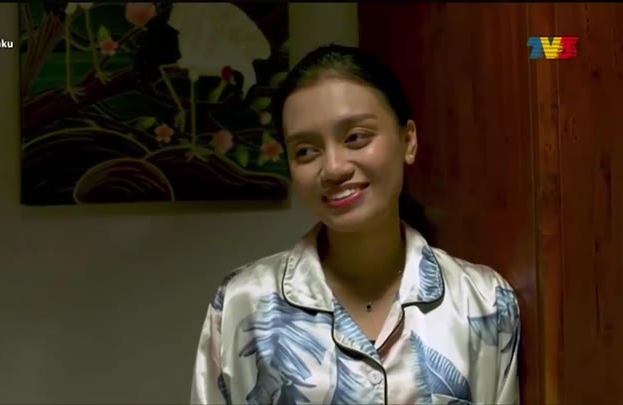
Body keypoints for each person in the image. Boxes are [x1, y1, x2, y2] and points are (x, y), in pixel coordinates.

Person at [190, 44, 521, 404]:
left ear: (408, 140)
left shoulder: (483, 302)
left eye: (355, 137)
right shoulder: (243, 303)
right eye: (306, 150)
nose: (333, 168)